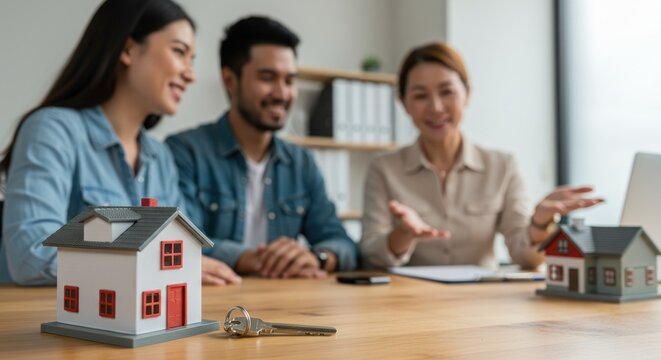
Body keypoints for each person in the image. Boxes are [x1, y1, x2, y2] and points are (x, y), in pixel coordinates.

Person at [0, 0, 240, 286]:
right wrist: (154, 267)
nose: (191, 74)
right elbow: (31, 257)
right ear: (128, 50)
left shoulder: (160, 157)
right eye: (179, 52)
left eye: (192, 60)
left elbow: (186, 251)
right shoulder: (53, 130)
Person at [360, 42, 603, 270]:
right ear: (403, 102)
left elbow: (525, 257)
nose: (435, 107)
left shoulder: (503, 166)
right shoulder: (383, 169)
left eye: (447, 92)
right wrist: (403, 234)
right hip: (408, 305)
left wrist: (539, 222)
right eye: (420, 96)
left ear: (467, 93)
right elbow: (370, 254)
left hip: (482, 306)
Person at [166, 16, 358, 280]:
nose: (282, 93)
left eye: (290, 80)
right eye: (268, 78)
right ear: (230, 81)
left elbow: (342, 243)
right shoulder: (183, 152)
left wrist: (317, 257)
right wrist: (255, 259)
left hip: (287, 307)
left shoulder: (301, 163)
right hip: (215, 307)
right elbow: (180, 246)